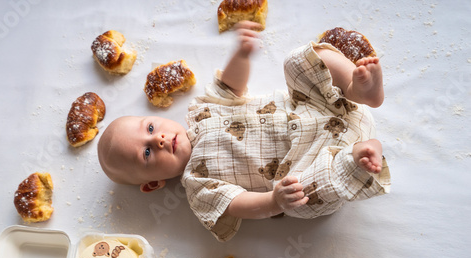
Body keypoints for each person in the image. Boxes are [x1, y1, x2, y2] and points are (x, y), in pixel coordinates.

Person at [98, 21, 391, 241]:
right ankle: (357, 158)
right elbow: (238, 204)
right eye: (147, 152)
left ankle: (359, 91)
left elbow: (230, 86)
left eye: (150, 128)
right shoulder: (197, 187)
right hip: (315, 162)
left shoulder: (200, 109)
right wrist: (274, 201)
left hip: (326, 106)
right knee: (302, 201)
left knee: (297, 61)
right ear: (154, 183)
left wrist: (241, 54)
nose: (158, 139)